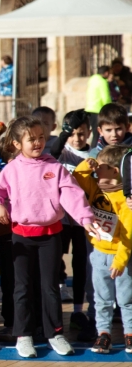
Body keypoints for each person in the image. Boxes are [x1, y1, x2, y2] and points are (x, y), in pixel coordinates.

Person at [0, 116, 99, 358]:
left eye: (40, 138)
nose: (37, 143)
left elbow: (71, 194)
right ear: (17, 143)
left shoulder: (54, 168)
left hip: (51, 236)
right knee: (22, 288)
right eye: (30, 139)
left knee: (50, 287)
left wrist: (85, 219)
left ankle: (55, 332)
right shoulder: (12, 169)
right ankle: (23, 335)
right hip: (20, 236)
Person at [72, 147, 132, 354]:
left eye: (101, 167)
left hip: (122, 257)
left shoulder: (126, 200)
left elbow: (128, 235)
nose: (96, 171)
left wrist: (120, 261)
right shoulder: (96, 188)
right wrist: (85, 166)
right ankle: (103, 333)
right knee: (102, 298)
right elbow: (76, 179)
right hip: (98, 253)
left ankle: (129, 334)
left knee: (126, 298)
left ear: (115, 171)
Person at [49, 110, 93, 331]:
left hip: (83, 221)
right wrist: (64, 134)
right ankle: (55, 307)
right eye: (73, 133)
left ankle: (78, 310)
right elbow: (53, 150)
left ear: (90, 133)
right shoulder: (63, 152)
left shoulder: (94, 155)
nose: (77, 138)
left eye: (82, 133)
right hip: (61, 218)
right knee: (56, 261)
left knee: (80, 264)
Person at [86, 66, 113, 145]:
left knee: (95, 132)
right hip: (98, 109)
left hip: (90, 109)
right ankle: (95, 151)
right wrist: (110, 109)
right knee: (98, 134)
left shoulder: (92, 79)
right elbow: (106, 97)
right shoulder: (102, 81)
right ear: (106, 73)